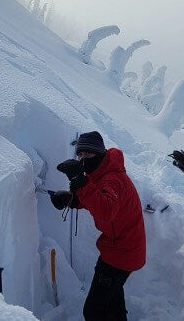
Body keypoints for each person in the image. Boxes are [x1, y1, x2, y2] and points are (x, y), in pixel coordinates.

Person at [50, 131, 145, 321]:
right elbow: (97, 197)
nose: (84, 159)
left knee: (93, 311)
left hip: (121, 254)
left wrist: (79, 181)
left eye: (89, 154)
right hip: (120, 248)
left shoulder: (112, 180)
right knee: (112, 302)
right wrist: (73, 200)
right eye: (81, 154)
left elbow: (106, 210)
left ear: (100, 154)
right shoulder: (102, 173)